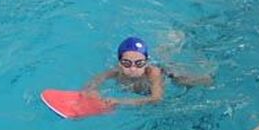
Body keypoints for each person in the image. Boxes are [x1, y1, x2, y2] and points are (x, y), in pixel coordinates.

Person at [84, 36, 212, 107]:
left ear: (146, 62)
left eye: (139, 63)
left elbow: (156, 99)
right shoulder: (116, 71)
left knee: (190, 80)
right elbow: (96, 80)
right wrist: (92, 91)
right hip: (141, 88)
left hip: (168, 75)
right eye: (126, 63)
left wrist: (120, 101)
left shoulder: (153, 73)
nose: (133, 68)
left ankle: (175, 41)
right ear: (119, 62)